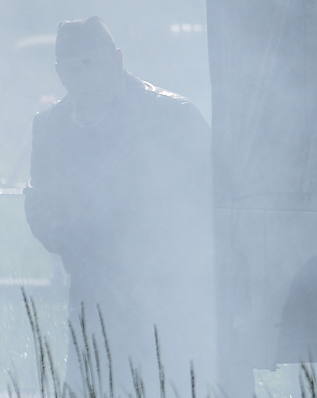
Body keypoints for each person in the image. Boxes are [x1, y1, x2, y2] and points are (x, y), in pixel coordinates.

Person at [24, 18, 213, 372]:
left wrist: (164, 266)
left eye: (93, 63)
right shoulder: (51, 126)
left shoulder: (172, 115)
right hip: (95, 293)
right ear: (59, 72)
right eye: (74, 68)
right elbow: (41, 202)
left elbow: (209, 202)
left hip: (173, 292)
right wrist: (64, 235)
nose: (86, 77)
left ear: (117, 59)